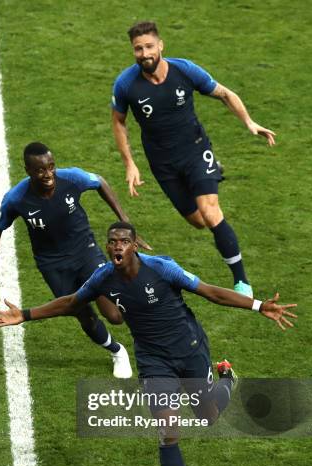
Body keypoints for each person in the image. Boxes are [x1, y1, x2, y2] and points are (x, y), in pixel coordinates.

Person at [0, 221, 297, 466]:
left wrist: (259, 306)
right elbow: (71, 302)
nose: (117, 246)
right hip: (153, 361)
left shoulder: (163, 269)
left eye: (123, 241)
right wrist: (25, 314)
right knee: (168, 430)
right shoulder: (103, 278)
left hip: (189, 350)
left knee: (208, 416)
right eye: (112, 242)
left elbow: (211, 293)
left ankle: (227, 379)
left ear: (134, 245)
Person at [111, 21, 277, 298]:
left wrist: (249, 122)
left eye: (149, 46)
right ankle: (212, 175)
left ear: (160, 45)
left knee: (211, 213)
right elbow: (118, 121)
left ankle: (242, 283)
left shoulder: (184, 70)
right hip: (162, 163)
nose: (144, 53)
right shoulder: (127, 84)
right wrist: (130, 162)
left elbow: (224, 93)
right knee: (198, 221)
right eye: (138, 49)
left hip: (195, 151)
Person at [0, 142, 151, 378]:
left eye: (51, 167)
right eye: (41, 170)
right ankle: (117, 351)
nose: (48, 174)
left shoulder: (72, 178)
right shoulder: (16, 198)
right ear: (28, 171)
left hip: (85, 251)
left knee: (114, 316)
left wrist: (126, 225)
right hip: (52, 264)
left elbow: (100, 182)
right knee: (81, 312)